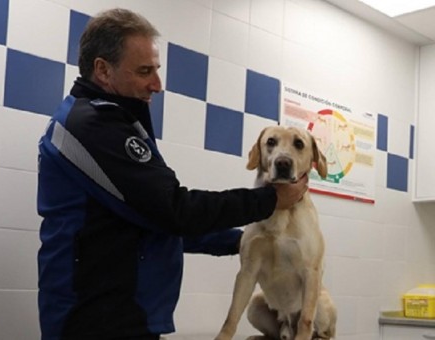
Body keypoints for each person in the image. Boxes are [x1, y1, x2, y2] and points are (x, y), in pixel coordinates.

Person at [36, 8, 308, 340]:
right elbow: (174, 211)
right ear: (103, 70)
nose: (157, 85)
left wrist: (245, 241)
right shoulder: (92, 125)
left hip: (123, 315)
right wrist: (270, 199)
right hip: (95, 320)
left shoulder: (111, 121)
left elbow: (152, 221)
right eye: (144, 71)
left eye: (157, 70)